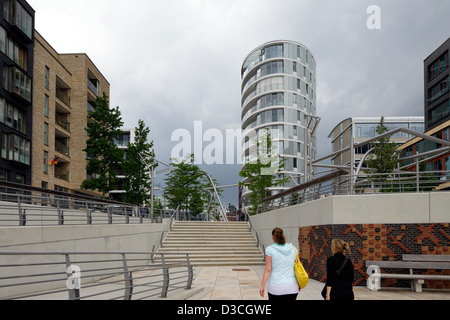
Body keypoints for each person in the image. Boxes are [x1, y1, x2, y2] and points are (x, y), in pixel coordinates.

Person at [260, 228, 299, 300]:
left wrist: (262, 285)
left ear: (273, 237)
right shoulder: (294, 249)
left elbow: (268, 270)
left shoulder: (270, 249)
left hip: (275, 288)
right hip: (292, 287)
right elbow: (298, 268)